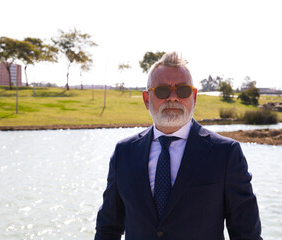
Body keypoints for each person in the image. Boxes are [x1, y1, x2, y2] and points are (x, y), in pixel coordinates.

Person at [95, 52, 262, 240]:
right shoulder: (124, 153)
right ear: (146, 99)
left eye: (182, 90)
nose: (173, 97)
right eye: (162, 90)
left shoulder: (226, 153)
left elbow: (246, 234)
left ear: (194, 96)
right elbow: (108, 228)